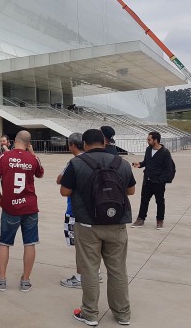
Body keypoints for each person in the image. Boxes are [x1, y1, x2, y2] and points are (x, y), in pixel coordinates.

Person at [60, 129, 136, 326]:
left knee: (90, 269)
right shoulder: (122, 163)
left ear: (85, 144)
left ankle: (90, 313)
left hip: (87, 225)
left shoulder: (76, 164)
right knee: (118, 269)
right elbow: (131, 190)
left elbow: (64, 191)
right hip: (117, 224)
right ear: (103, 142)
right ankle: (122, 314)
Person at [0, 130, 44, 292]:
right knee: (30, 243)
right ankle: (25, 281)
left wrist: (0, 197)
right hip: (30, 207)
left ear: (14, 141)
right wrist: (33, 154)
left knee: (4, 243)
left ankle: (2, 279)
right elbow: (40, 173)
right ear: (29, 143)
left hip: (10, 207)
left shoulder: (4, 156)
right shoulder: (33, 158)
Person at [56, 132, 104, 289]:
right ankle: (94, 273)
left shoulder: (74, 162)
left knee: (80, 246)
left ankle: (80, 277)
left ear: (72, 145)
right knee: (93, 245)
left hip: (76, 211)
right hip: (97, 210)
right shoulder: (97, 159)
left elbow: (61, 182)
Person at [131, 131, 174, 230]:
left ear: (155, 140)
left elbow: (168, 169)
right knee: (144, 200)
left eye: (149, 139)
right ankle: (140, 219)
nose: (147, 141)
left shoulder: (165, 152)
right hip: (147, 181)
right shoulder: (148, 149)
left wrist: (160, 180)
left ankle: (160, 221)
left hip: (158, 182)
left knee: (159, 202)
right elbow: (146, 162)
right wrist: (140, 164)